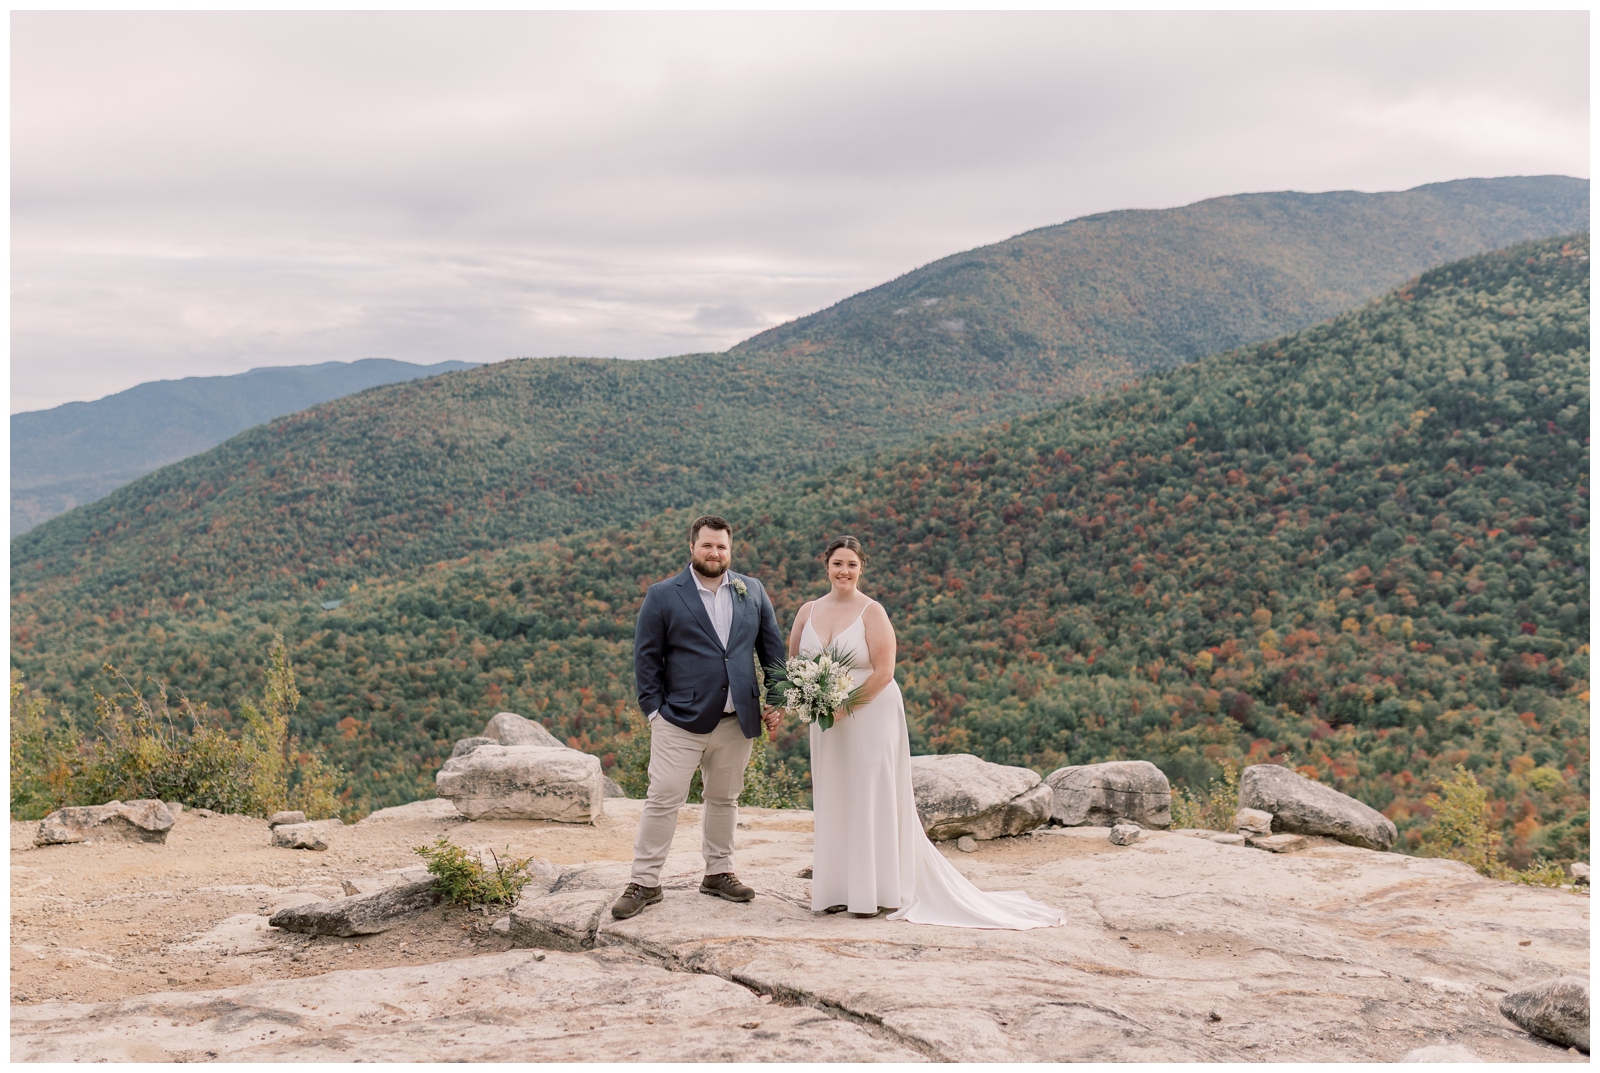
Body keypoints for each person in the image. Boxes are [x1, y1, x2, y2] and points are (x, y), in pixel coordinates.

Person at [792, 535, 1066, 929]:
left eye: (851, 564)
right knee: (835, 793)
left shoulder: (873, 612)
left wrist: (843, 705)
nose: (844, 571)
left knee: (870, 793)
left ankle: (876, 892)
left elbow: (884, 673)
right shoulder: (808, 611)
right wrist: (808, 701)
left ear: (861, 568)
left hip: (868, 714)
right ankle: (837, 890)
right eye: (837, 563)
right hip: (826, 722)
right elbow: (793, 664)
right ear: (826, 566)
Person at [612, 515, 786, 920]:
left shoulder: (752, 591)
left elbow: (772, 652)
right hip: (678, 719)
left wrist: (776, 700)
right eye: (707, 545)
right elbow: (646, 658)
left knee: (724, 798)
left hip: (736, 718)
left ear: (730, 550)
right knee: (663, 798)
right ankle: (645, 881)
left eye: (722, 547)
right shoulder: (663, 594)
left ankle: (718, 872)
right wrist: (654, 711)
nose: (715, 553)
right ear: (692, 547)